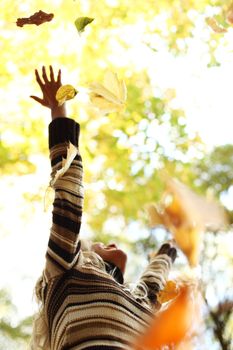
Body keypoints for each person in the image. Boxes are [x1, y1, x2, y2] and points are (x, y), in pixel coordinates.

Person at [30, 66, 177, 350]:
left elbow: (155, 277)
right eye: (96, 245)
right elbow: (68, 197)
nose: (107, 242)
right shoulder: (65, 270)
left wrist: (172, 243)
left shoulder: (141, 302)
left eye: (95, 244)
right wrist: (59, 111)